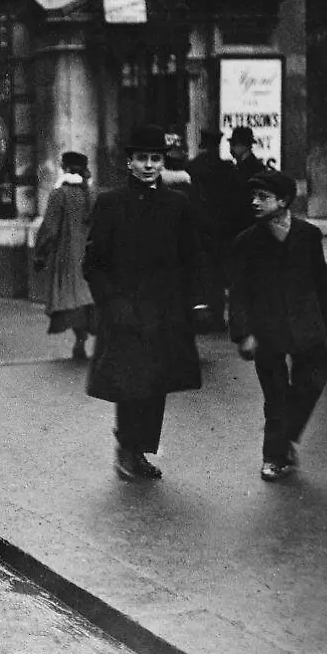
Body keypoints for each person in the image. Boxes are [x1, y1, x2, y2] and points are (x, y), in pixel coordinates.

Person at [82, 124, 206, 481]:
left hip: (165, 313)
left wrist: (193, 303)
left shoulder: (176, 205)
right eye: (142, 158)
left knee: (156, 384)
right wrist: (112, 304)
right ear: (129, 163)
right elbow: (93, 263)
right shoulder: (110, 203)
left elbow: (191, 257)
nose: (149, 165)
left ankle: (140, 452)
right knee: (129, 382)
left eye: (155, 158)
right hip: (124, 312)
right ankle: (127, 450)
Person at [229, 169, 327, 482]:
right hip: (267, 332)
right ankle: (275, 457)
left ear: (283, 200)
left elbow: (320, 282)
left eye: (262, 197)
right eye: (253, 196)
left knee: (313, 380)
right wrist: (243, 333)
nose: (255, 202)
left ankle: (286, 437)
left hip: (306, 327)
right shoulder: (246, 242)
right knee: (276, 395)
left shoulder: (308, 236)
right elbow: (238, 293)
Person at [33, 152, 95, 360]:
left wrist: (40, 254)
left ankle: (80, 339)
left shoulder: (60, 194)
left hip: (68, 256)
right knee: (85, 298)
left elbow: (50, 229)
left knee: (71, 298)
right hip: (91, 256)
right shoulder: (92, 194)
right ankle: (83, 339)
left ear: (65, 168)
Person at [186, 129, 243, 331]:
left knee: (200, 273)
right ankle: (217, 317)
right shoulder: (226, 169)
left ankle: (199, 317)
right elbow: (235, 201)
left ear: (201, 144)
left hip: (198, 229)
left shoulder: (192, 167)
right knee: (218, 275)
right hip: (222, 230)